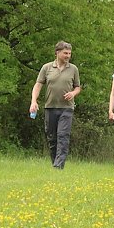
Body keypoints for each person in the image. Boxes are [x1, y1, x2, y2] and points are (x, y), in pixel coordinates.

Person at [30, 41, 81, 169]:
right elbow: (38, 85)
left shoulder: (73, 69)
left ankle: (59, 165)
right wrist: (33, 101)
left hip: (67, 108)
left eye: (69, 53)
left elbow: (78, 87)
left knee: (63, 135)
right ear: (57, 53)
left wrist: (73, 93)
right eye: (65, 53)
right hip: (50, 107)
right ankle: (55, 163)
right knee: (52, 137)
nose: (68, 56)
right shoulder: (46, 68)